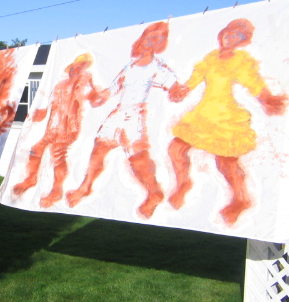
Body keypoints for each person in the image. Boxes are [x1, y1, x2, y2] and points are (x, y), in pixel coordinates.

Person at [167, 18, 287, 225]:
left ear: (242, 41)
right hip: (203, 114)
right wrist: (180, 91)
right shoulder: (210, 58)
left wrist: (267, 98)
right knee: (176, 149)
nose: (230, 38)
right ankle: (183, 183)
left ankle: (241, 199)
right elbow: (193, 81)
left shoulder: (241, 60)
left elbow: (254, 83)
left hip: (225, 117)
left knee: (225, 162)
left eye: (237, 36)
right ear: (222, 32)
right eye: (229, 32)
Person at [66, 22, 181, 218]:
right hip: (118, 113)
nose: (149, 41)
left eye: (155, 38)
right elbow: (112, 89)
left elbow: (175, 87)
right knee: (99, 147)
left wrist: (178, 92)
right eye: (148, 36)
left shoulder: (158, 67)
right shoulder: (130, 65)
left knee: (138, 157)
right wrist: (98, 96)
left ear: (160, 43)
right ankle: (85, 186)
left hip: (134, 115)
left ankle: (154, 192)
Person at [11, 53, 109, 208]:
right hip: (53, 124)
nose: (75, 70)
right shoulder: (60, 85)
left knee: (58, 155)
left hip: (69, 125)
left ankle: (56, 190)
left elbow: (98, 98)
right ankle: (31, 179)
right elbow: (51, 104)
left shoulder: (85, 80)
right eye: (74, 67)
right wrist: (41, 113)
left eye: (80, 67)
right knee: (37, 149)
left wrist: (94, 90)